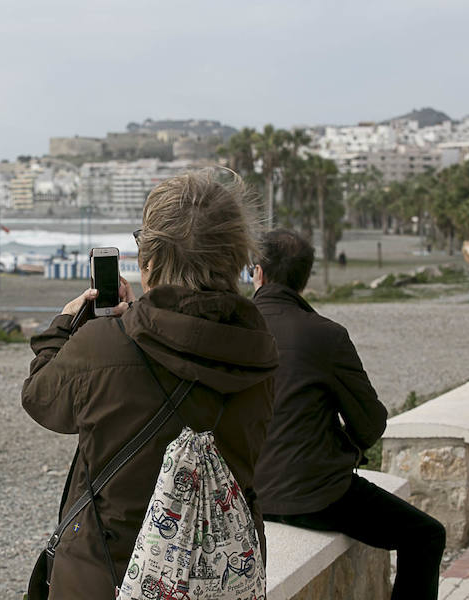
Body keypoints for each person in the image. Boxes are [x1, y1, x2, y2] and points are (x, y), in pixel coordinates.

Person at [22, 170, 278, 598]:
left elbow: (40, 398)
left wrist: (64, 329)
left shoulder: (102, 345)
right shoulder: (258, 348)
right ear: (235, 258)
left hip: (105, 576)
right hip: (219, 578)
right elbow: (192, 347)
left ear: (151, 261)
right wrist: (138, 316)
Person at [251, 229, 446, 599]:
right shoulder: (326, 335)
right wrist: (345, 445)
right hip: (314, 496)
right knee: (427, 535)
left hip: (249, 494)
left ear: (257, 273)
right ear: (304, 278)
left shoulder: (232, 330)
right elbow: (371, 423)